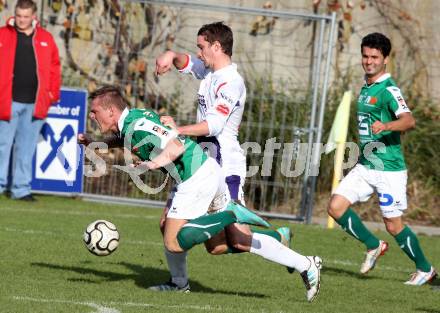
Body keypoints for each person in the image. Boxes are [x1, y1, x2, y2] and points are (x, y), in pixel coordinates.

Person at [78, 86, 322, 302]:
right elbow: (124, 139)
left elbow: (176, 145)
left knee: (173, 241)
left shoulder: (138, 125)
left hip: (196, 177)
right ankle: (306, 264)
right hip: (204, 172)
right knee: (221, 245)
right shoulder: (131, 121)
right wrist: (94, 143)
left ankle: (225, 220)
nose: (91, 115)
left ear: (110, 111)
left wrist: (152, 164)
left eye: (94, 111)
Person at [154, 21, 293, 291]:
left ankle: (278, 238)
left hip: (225, 164)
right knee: (206, 243)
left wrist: (177, 129)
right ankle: (178, 283)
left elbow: (214, 125)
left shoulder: (231, 82)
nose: (199, 53)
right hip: (201, 162)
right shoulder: (209, 71)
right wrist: (171, 55)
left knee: (239, 240)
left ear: (217, 47)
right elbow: (187, 64)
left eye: (202, 47)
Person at [327, 32, 437, 285]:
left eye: (374, 57)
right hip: (367, 165)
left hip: (388, 169)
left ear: (385, 58)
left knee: (393, 225)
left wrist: (386, 126)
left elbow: (409, 120)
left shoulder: (389, 89)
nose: (369, 61)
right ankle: (373, 245)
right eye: (365, 56)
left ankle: (425, 269)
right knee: (335, 207)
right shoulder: (367, 87)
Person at [0, 0, 61, 201]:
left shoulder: (46, 38)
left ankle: (21, 189)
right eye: (19, 16)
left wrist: (52, 94)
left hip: (35, 104)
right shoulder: (2, 34)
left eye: (26, 17)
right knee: (2, 145)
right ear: (14, 14)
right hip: (7, 102)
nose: (22, 20)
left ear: (33, 16)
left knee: (26, 149)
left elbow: (54, 68)